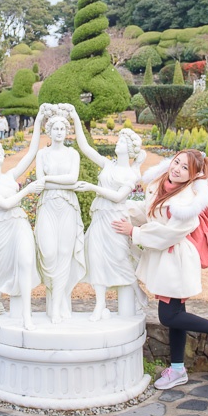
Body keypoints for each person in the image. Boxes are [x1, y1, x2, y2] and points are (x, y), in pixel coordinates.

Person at [112, 149, 208, 390]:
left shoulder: (186, 204)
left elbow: (167, 234)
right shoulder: (162, 184)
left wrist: (134, 232)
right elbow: (149, 211)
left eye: (185, 168)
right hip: (166, 259)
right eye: (176, 163)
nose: (177, 169)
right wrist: (125, 211)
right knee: (176, 316)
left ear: (193, 176)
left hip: (176, 260)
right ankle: (177, 369)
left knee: (169, 315)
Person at [71, 113, 146, 321]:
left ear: (129, 149)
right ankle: (100, 304)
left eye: (122, 141)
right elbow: (86, 148)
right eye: (119, 139)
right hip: (99, 217)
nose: (118, 143)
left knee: (120, 258)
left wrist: (92, 187)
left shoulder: (130, 174)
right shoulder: (108, 165)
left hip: (116, 220)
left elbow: (119, 197)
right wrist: (77, 119)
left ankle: (136, 290)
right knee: (96, 258)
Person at [0, 123, 45, 330]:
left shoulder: (9, 176)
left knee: (25, 261)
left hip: (19, 221)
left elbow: (31, 153)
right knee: (2, 265)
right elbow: (5, 204)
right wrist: (28, 190)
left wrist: (38, 122)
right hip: (2, 226)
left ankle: (26, 315)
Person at [33, 103, 84, 324]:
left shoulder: (73, 154)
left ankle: (57, 304)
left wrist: (48, 179)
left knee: (65, 252)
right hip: (47, 206)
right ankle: (56, 298)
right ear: (49, 131)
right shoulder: (42, 155)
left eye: (63, 128)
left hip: (67, 207)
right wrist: (47, 181)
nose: (59, 132)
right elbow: (38, 182)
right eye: (55, 129)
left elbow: (72, 179)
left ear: (67, 131)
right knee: (49, 253)